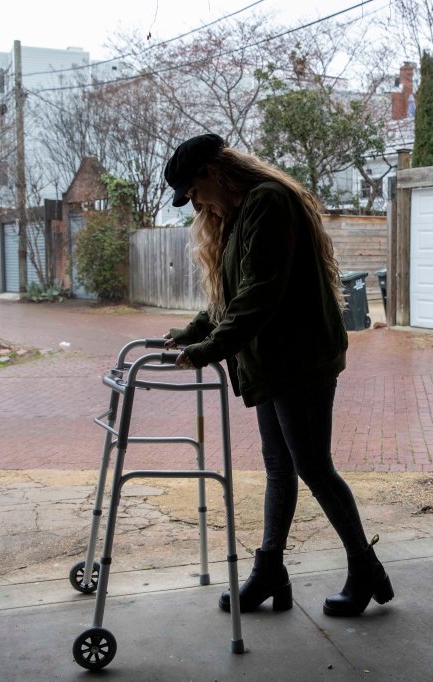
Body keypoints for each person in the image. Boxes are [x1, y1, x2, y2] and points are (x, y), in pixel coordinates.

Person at [161, 133, 393, 617]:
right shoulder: (241, 213)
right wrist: (191, 333)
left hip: (300, 360)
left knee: (313, 466)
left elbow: (261, 293)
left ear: (212, 173)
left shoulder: (269, 202)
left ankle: (365, 569)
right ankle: (270, 572)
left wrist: (209, 349)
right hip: (273, 361)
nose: (197, 204)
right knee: (280, 467)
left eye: (195, 192)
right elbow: (231, 296)